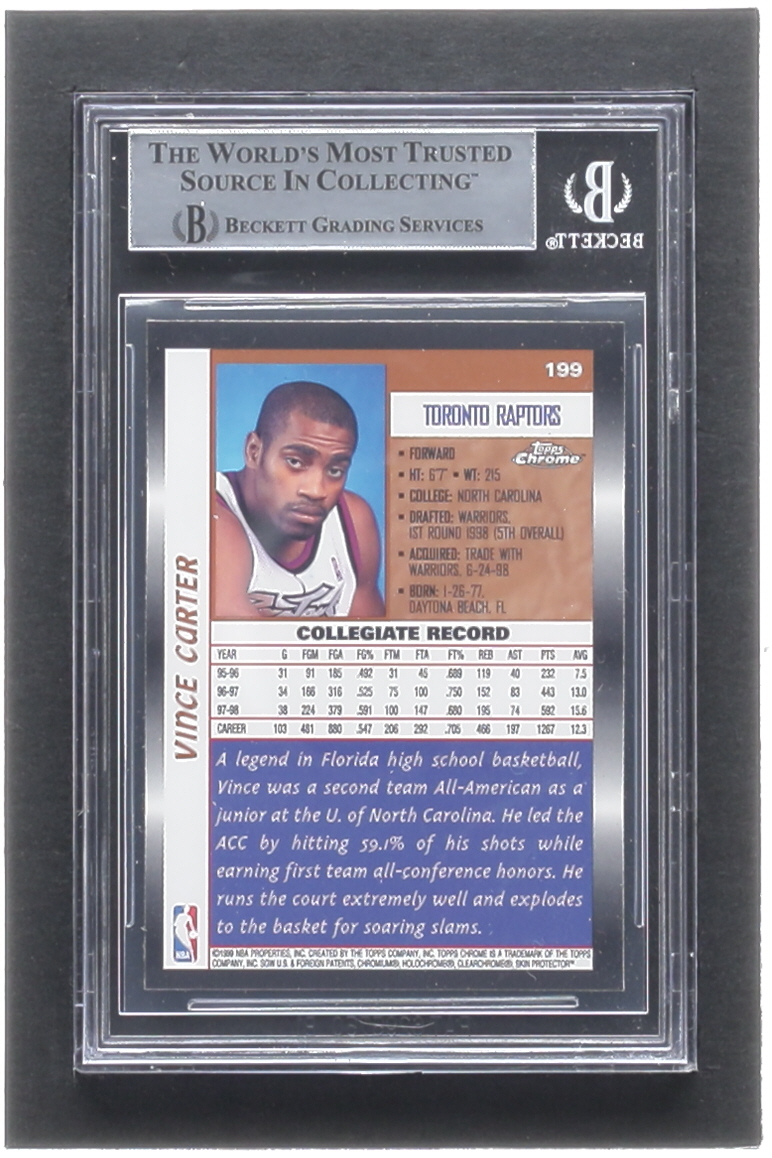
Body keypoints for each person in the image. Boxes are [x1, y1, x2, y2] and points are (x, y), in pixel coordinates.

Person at [214, 380, 384, 618]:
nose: (316, 490)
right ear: (254, 451)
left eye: (335, 471)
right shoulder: (212, 515)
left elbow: (368, 637)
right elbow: (235, 638)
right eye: (295, 462)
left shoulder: (352, 521)